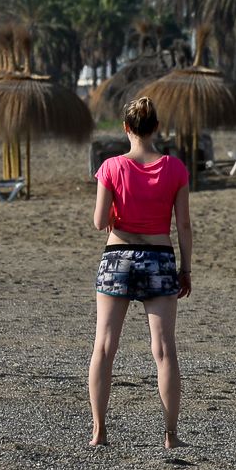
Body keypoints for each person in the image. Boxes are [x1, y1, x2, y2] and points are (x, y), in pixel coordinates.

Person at [89, 96, 192, 449]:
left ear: (125, 128)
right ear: (157, 128)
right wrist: (186, 267)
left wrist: (119, 216)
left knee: (104, 346)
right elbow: (184, 226)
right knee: (164, 350)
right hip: (159, 257)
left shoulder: (111, 167)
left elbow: (100, 221)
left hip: (118, 255)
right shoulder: (175, 169)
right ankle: (170, 435)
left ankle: (99, 432)